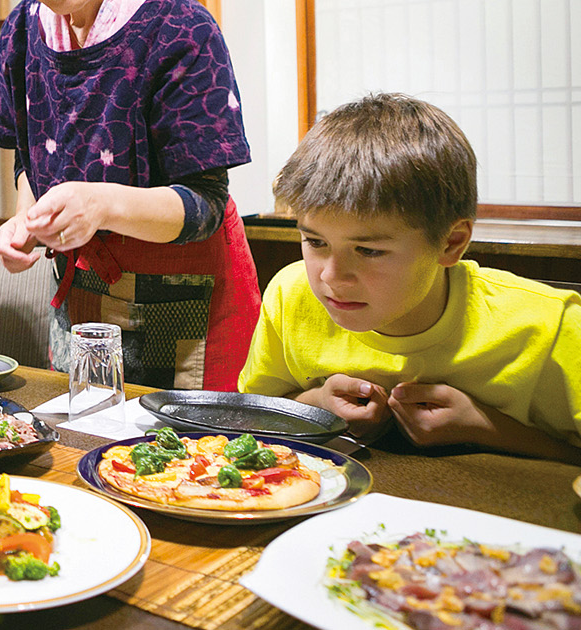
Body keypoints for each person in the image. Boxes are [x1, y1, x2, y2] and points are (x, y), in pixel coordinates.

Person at [0, 0, 259, 391]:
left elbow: (204, 204)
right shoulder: (23, 32)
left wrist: (99, 204)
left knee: (186, 447)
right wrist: (27, 220)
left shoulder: (180, 29)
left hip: (190, 297)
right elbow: (28, 157)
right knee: (82, 433)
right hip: (82, 294)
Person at [238, 93, 581, 462]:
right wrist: (316, 405)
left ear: (451, 243)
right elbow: (251, 417)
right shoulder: (292, 295)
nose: (332, 277)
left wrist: (484, 427)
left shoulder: (550, 326)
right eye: (315, 242)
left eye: (368, 250)